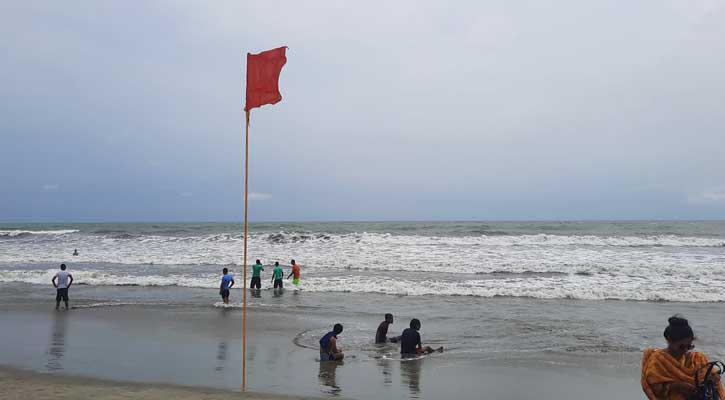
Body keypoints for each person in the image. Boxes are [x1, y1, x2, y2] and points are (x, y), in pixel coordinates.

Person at [642, 315, 724, 399]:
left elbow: (712, 377)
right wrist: (677, 386)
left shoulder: (698, 358)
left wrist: (713, 379)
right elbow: (653, 387)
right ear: (669, 340)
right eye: (681, 347)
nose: (685, 350)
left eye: (689, 347)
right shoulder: (658, 360)